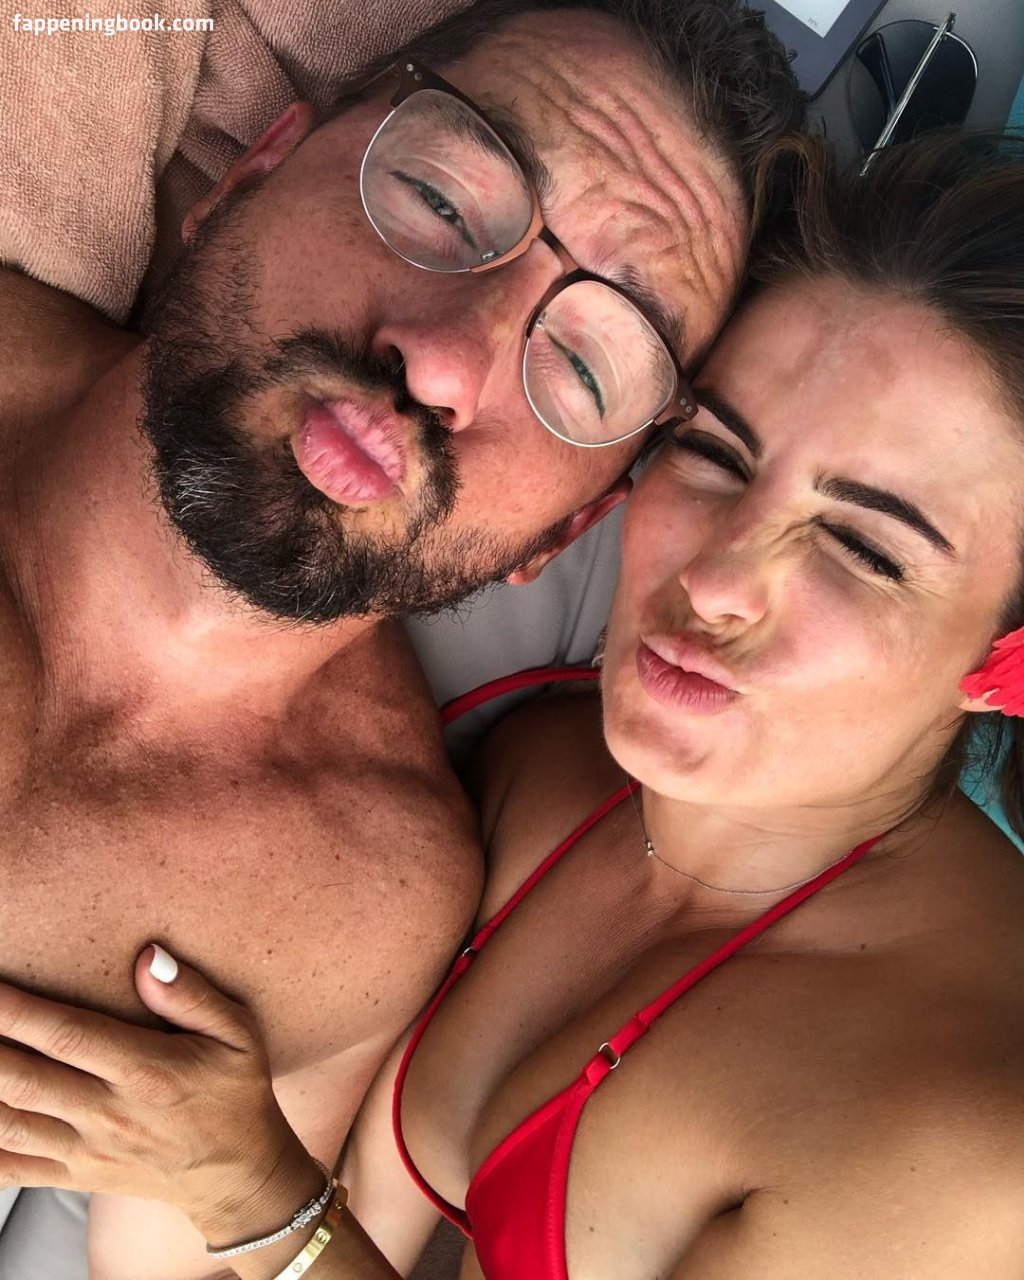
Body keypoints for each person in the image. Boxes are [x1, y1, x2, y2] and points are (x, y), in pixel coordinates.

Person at [2, 127, 1022, 1280]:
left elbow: (249, 1196)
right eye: (715, 455)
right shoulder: (540, 773)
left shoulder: (963, 1148)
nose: (717, 579)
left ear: (1008, 662)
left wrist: (256, 1193)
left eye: (863, 547)